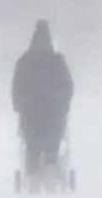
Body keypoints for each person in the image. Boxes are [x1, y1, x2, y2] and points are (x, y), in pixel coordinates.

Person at [11, 19, 74, 180]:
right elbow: (67, 85)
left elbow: (16, 86)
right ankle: (51, 169)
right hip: (55, 113)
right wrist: (64, 104)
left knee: (32, 143)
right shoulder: (57, 61)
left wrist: (18, 105)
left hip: (30, 114)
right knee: (53, 141)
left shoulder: (24, 62)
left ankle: (32, 173)